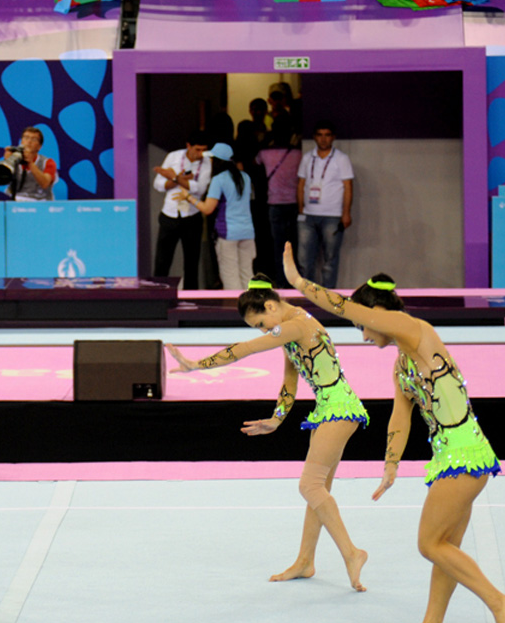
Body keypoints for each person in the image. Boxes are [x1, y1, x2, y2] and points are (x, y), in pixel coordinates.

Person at [281, 248, 505, 623]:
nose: (364, 334)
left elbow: (345, 308)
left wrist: (301, 284)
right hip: (450, 455)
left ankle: (499, 600)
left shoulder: (413, 330)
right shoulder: (402, 363)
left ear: (375, 313)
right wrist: (391, 465)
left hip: (465, 453)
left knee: (430, 544)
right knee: (447, 546)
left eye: (364, 325)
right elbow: (400, 418)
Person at [165, 275, 369, 591]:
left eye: (261, 322)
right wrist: (277, 419)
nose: (263, 330)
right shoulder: (290, 333)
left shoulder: (297, 324)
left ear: (271, 305)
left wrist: (196, 364)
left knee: (310, 486)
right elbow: (290, 379)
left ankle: (352, 553)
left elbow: (246, 349)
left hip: (340, 409)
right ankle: (305, 561)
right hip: (329, 409)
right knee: (318, 491)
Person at [179, 143, 256, 291]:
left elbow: (207, 209)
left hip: (228, 234)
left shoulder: (219, 180)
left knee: (230, 276)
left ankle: (236, 310)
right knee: (247, 274)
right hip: (247, 232)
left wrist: (188, 197)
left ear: (218, 160)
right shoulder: (245, 177)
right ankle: (251, 309)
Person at [296, 120, 352, 289]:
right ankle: (309, 295)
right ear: (314, 137)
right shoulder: (307, 158)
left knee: (329, 259)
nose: (323, 139)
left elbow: (348, 186)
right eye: (320, 135)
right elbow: (301, 184)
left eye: (327, 135)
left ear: (333, 137)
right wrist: (301, 210)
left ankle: (328, 297)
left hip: (332, 215)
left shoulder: (341, 159)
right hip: (308, 214)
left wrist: (346, 213)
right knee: (305, 259)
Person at [153, 131, 212, 289]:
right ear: (188, 146)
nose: (200, 154)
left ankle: (191, 301)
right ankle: (158, 297)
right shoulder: (173, 156)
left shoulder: (206, 163)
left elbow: (199, 188)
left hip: (192, 216)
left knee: (192, 263)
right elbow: (158, 184)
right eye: (197, 149)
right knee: (162, 262)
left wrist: (174, 177)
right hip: (169, 214)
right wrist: (180, 179)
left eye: (203, 150)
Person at [260, 94, 300, 287]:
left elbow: (256, 163)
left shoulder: (265, 153)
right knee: (295, 244)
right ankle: (295, 281)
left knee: (278, 246)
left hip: (274, 204)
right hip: (294, 203)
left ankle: (281, 282)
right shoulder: (298, 153)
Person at [1, 126, 57, 201]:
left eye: (34, 139)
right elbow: (1, 180)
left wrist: (30, 163)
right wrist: (6, 162)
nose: (29, 141)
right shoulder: (14, 159)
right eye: (26, 138)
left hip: (40, 202)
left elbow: (45, 183)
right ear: (21, 142)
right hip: (15, 202)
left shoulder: (48, 162)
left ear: (39, 147)